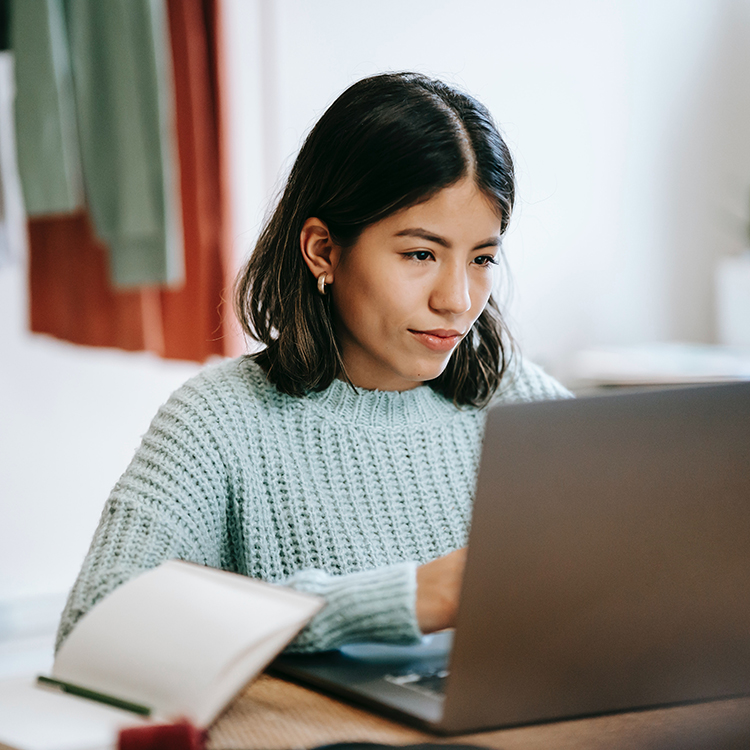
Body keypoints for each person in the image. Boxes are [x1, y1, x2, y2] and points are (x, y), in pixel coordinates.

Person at [56, 72, 571, 654]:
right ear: (323, 249)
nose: (456, 299)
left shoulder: (521, 403)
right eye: (421, 254)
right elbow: (91, 630)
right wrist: (399, 599)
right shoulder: (218, 423)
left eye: (481, 259)